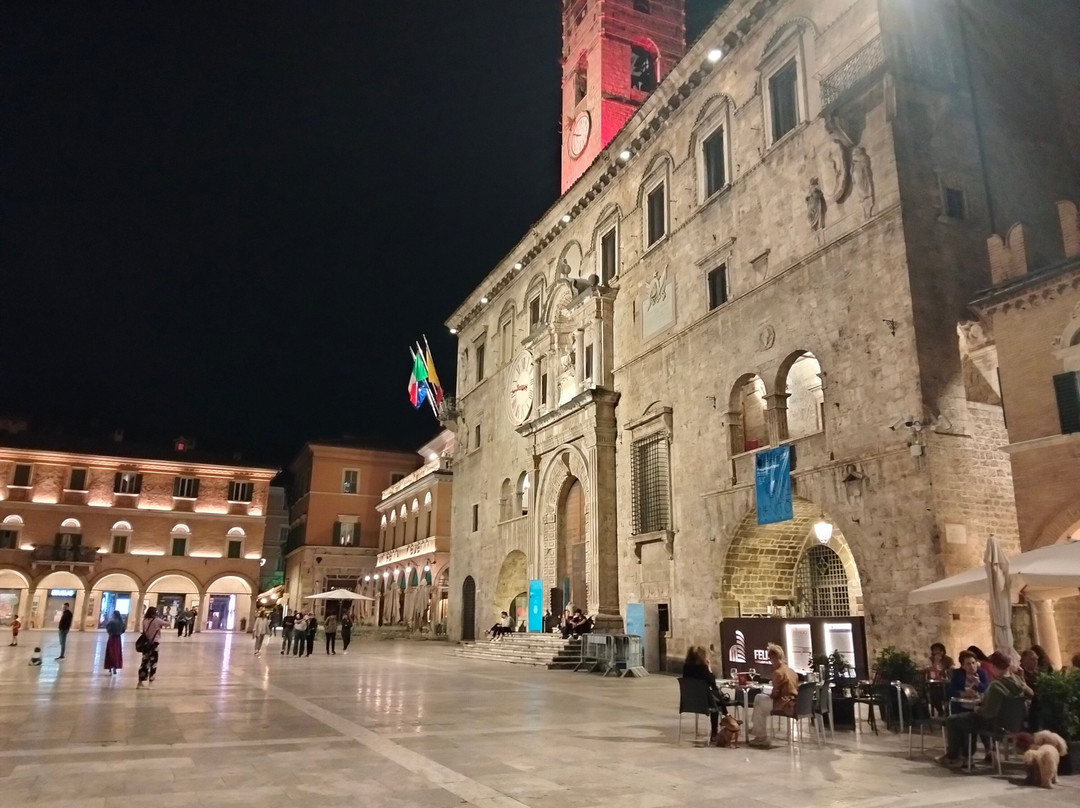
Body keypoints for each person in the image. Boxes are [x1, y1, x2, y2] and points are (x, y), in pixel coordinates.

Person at [936, 651, 1032, 768]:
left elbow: (988, 712)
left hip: (994, 724)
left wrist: (977, 709)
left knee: (953, 720)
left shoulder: (996, 686)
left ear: (994, 666)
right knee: (964, 720)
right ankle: (965, 756)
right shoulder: (1017, 680)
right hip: (1013, 724)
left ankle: (953, 756)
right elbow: (1031, 693)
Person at [747, 643, 799, 748]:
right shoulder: (791, 671)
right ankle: (757, 730)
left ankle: (760, 736)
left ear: (774, 658)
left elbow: (775, 694)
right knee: (760, 702)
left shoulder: (778, 673)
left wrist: (769, 694)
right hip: (794, 703)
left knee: (758, 699)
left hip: (783, 704)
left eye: (771, 659)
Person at [682, 645, 729, 745]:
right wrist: (709, 668)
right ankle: (716, 731)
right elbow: (712, 682)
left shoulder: (686, 668)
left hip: (690, 700)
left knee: (715, 697)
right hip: (704, 701)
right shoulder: (703, 669)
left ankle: (726, 714)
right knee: (716, 703)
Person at [137, 606, 167, 688]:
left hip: (146, 644)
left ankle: (140, 682)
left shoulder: (145, 620)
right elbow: (168, 624)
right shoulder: (156, 620)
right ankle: (151, 683)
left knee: (144, 663)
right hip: (154, 644)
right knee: (153, 663)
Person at [104, 610, 125, 674]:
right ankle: (115, 667)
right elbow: (123, 630)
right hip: (118, 639)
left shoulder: (111, 622)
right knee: (117, 653)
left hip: (112, 638)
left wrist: (110, 632)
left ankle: (110, 667)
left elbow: (107, 628)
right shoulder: (121, 622)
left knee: (110, 652)